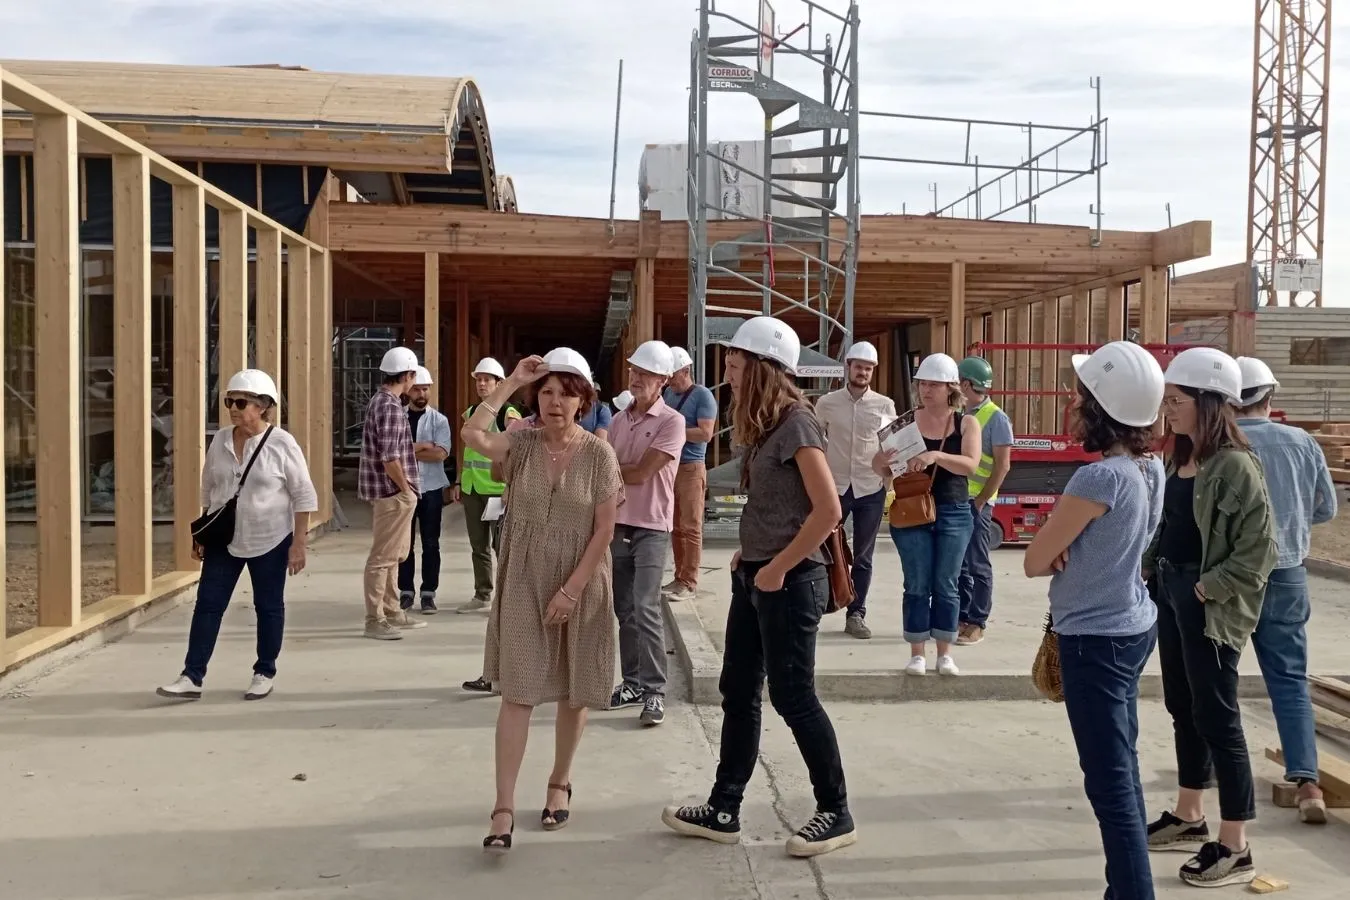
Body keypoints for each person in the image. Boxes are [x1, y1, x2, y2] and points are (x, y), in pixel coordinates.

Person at [662, 316, 855, 859]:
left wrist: (777, 567)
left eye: (734, 360)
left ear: (763, 367)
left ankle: (836, 813)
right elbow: (781, 503)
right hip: (758, 576)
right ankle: (724, 809)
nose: (726, 369)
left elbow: (828, 510)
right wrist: (752, 552)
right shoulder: (768, 425)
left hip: (790, 582)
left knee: (794, 697)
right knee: (738, 691)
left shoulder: (796, 422)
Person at [461, 349, 623, 854]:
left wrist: (572, 590)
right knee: (519, 689)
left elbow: (605, 529)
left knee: (574, 688)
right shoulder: (523, 444)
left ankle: (559, 780)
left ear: (583, 400)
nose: (556, 402)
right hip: (524, 578)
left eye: (567, 392)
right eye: (548, 392)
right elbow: (472, 436)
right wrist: (511, 382)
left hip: (583, 579)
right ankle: (503, 807)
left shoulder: (599, 453)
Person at [1024, 342, 1166, 900]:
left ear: (1101, 410)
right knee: (1121, 766)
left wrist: (1060, 547)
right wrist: (1069, 546)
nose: (1071, 402)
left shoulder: (1099, 479)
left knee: (1108, 786)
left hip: (1095, 641)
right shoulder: (1146, 468)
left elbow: (1036, 560)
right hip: (1131, 627)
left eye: (1080, 396)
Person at [1143, 346, 1276, 889]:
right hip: (1171, 594)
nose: (1168, 408)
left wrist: (1206, 587)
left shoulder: (1237, 466)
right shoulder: (1179, 458)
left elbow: (1259, 549)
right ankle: (1190, 813)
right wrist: (1152, 570)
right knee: (1182, 706)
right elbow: (1166, 523)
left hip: (1209, 604)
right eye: (1167, 399)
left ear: (1208, 402)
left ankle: (1236, 843)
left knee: (1219, 717)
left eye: (1177, 400)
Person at [157, 369, 317, 701]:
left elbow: (303, 496)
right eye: (229, 400)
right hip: (224, 539)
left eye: (240, 401)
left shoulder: (282, 443)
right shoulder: (220, 440)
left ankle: (264, 671)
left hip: (270, 538)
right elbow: (209, 488)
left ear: (263, 405)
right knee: (208, 605)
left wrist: (299, 543)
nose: (233, 407)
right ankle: (192, 675)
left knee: (268, 606)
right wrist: (200, 530)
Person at [1233, 356, 1337, 824]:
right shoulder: (1303, 441)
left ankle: (1214, 771)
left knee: (1215, 678)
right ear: (1270, 397)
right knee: (1290, 681)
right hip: (1288, 571)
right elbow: (1326, 508)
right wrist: (1292, 524)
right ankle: (1308, 783)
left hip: (1232, 576)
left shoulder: (1222, 444)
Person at [875, 353, 980, 676]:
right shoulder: (905, 422)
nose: (926, 390)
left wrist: (935, 454)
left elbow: (971, 464)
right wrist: (886, 459)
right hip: (912, 509)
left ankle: (945, 653)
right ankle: (917, 652)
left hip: (953, 508)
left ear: (950, 388)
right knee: (917, 581)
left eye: (934, 385)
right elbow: (878, 467)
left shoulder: (966, 423)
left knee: (946, 582)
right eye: (922, 384)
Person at [607, 340, 685, 726]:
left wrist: (611, 467)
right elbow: (616, 469)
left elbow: (640, 472)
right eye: (634, 371)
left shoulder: (672, 422)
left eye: (646, 374)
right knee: (624, 609)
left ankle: (655, 692)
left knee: (646, 606)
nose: (636, 378)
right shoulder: (620, 420)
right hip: (619, 523)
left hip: (652, 526)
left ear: (663, 381)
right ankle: (633, 682)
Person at [813, 340, 896, 640]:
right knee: (823, 550)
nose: (863, 372)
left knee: (863, 556)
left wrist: (887, 480)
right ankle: (818, 607)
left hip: (870, 488)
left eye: (869, 368)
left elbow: (892, 446)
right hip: (834, 487)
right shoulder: (827, 403)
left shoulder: (885, 405)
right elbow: (815, 442)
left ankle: (856, 614)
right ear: (847, 367)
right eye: (859, 366)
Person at [358, 346, 428, 641]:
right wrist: (405, 489)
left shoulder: (385, 402)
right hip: (392, 492)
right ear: (408, 375)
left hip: (391, 492)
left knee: (394, 555)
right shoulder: (388, 406)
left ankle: (391, 610)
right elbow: (389, 457)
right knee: (383, 557)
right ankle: (375, 618)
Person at [454, 357, 522, 614]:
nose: (481, 384)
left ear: (499, 383)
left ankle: (507, 598)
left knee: (501, 547)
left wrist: (509, 485)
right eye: (479, 379)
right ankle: (482, 594)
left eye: (487, 379)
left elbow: (516, 448)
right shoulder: (471, 413)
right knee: (478, 546)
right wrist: (460, 480)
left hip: (496, 492)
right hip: (472, 489)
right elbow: (466, 449)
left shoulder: (508, 413)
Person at [956, 355, 1014, 645]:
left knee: (978, 565)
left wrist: (980, 501)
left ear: (966, 384)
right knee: (960, 566)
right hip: (957, 500)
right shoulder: (960, 414)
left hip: (977, 504)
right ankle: (962, 617)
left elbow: (1002, 465)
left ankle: (977, 621)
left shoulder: (995, 418)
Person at [661, 346, 718, 603]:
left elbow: (706, 433)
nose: (669, 380)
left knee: (691, 526)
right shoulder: (668, 394)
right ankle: (679, 576)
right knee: (675, 526)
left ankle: (689, 581)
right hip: (671, 465)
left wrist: (674, 430)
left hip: (692, 467)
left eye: (673, 375)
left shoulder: (703, 396)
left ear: (685, 371)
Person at [396, 366, 452, 614]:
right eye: (417, 388)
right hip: (403, 488)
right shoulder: (398, 417)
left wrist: (408, 448)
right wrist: (422, 446)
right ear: (409, 390)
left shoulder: (439, 420)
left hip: (431, 489)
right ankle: (405, 592)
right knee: (403, 544)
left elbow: (440, 454)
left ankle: (428, 593)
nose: (421, 393)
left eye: (425, 389)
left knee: (431, 543)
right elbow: (391, 452)